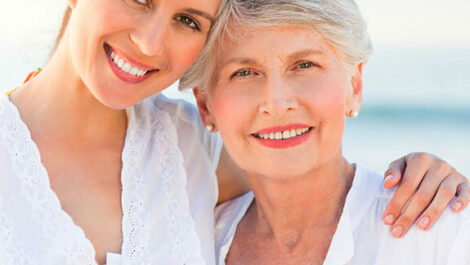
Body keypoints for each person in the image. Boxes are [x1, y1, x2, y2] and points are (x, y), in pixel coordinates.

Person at [0, 0, 468, 264]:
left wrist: (429, 176)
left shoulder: (188, 148)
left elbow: (305, 183)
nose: (148, 42)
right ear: (206, 103)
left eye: (188, 20)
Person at [185, 0, 470, 264]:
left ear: (354, 87)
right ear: (205, 106)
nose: (277, 103)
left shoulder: (443, 233)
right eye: (244, 73)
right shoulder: (191, 239)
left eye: (305, 65)